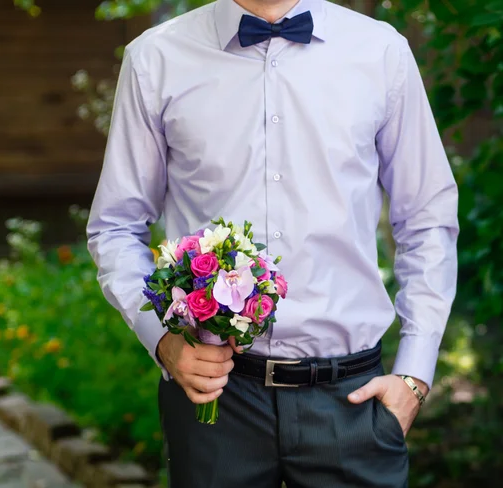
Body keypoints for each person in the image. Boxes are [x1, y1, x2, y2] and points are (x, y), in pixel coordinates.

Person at [86, 0, 459, 486]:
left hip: (352, 399)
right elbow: (114, 225)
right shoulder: (155, 58)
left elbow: (428, 219)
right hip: (214, 402)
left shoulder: (381, 52)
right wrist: (163, 342)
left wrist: (414, 374)